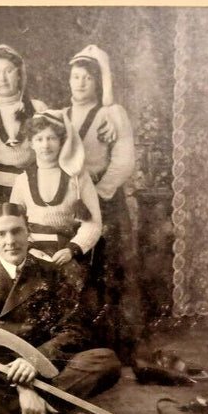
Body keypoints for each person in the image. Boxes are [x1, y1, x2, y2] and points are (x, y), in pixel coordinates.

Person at [0, 202, 122, 414]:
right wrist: (23, 386)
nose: (10, 241)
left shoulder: (52, 272)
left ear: (28, 232)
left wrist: (33, 361)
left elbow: (73, 330)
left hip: (42, 366)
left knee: (105, 360)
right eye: (1, 234)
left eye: (16, 231)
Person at [65, 45, 143, 363]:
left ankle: (119, 347)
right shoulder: (61, 115)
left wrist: (100, 193)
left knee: (111, 273)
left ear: (98, 83)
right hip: (74, 204)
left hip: (105, 200)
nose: (81, 83)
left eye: (87, 77)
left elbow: (124, 162)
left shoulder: (112, 114)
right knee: (79, 273)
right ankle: (83, 343)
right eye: (75, 77)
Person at [9, 109, 102, 290]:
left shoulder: (78, 178)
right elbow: (13, 223)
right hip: (32, 250)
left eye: (51, 138)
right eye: (39, 139)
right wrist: (27, 248)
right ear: (32, 144)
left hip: (66, 250)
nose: (46, 145)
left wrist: (71, 250)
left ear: (61, 141)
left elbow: (94, 224)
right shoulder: (22, 180)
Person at [0, 44, 47, 205]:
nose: (3, 78)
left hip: (35, 181)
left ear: (19, 75)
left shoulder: (38, 108)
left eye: (9, 71)